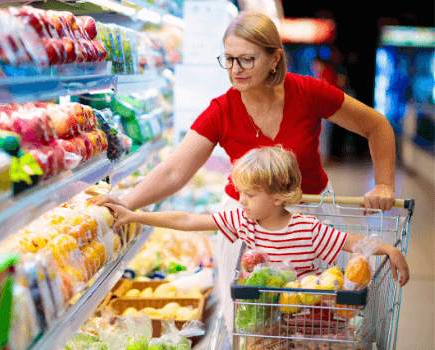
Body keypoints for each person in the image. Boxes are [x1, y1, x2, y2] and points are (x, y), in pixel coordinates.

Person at [91, 11, 398, 337]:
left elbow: (376, 126)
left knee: (315, 315)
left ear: (274, 58)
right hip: (246, 224)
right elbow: (172, 173)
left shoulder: (308, 93)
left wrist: (383, 183)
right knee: (253, 324)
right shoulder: (222, 109)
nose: (235, 70)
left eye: (247, 60)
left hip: (310, 218)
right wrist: (124, 204)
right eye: (229, 59)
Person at [104, 146, 409, 282]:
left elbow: (351, 242)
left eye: (249, 195)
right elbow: (186, 220)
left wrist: (389, 249)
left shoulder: (308, 228)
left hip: (302, 320)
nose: (241, 201)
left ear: (279, 197)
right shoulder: (243, 221)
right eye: (240, 194)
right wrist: (134, 215)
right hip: (259, 323)